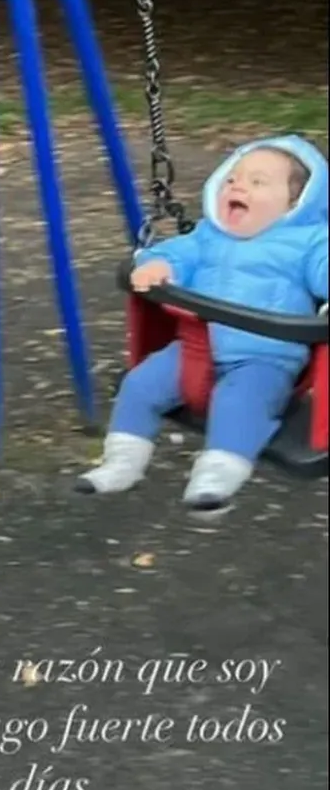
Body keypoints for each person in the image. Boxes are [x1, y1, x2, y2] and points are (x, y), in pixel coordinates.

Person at [76, 136, 328, 520]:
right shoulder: (209, 235)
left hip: (266, 359)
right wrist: (159, 265)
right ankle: (121, 462)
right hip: (198, 348)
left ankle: (215, 481)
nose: (238, 186)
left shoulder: (308, 242)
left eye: (258, 182)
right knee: (139, 385)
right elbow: (177, 253)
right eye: (232, 179)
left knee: (237, 405)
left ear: (296, 203)